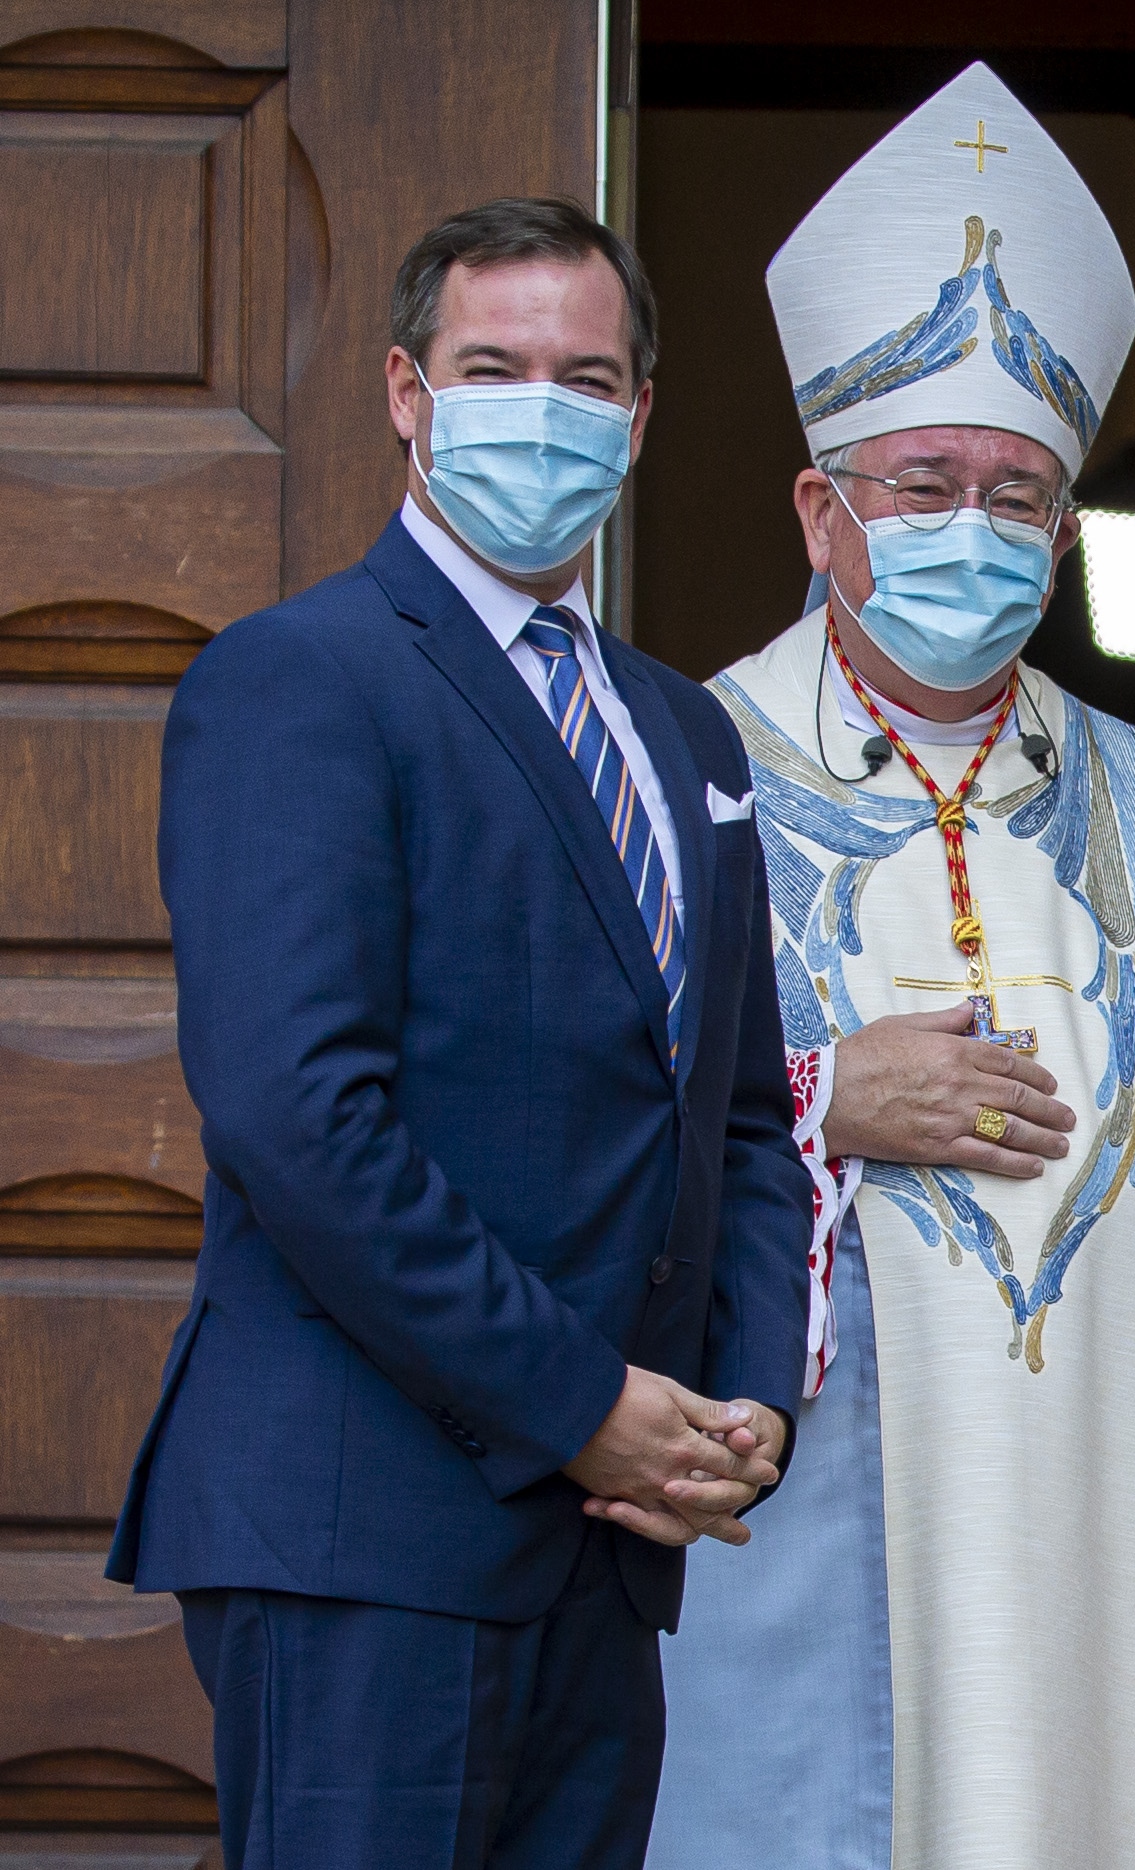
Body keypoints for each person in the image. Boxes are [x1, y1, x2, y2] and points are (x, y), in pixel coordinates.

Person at [646, 63, 1135, 1870]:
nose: (971, 529)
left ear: (1066, 537)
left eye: (1017, 498)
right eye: (920, 483)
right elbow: (547, 1107)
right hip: (836, 1537)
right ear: (814, 511)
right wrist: (817, 1093)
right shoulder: (677, 783)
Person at [107, 198, 811, 1870]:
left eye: (585, 376)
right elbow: (296, 1116)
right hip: (374, 1526)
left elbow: (734, 1118)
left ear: (637, 420)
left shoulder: (677, 725)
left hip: (605, 1543)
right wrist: (578, 1400)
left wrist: (742, 1409)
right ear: (407, 392)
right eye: (492, 367)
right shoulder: (302, 679)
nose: (540, 409)